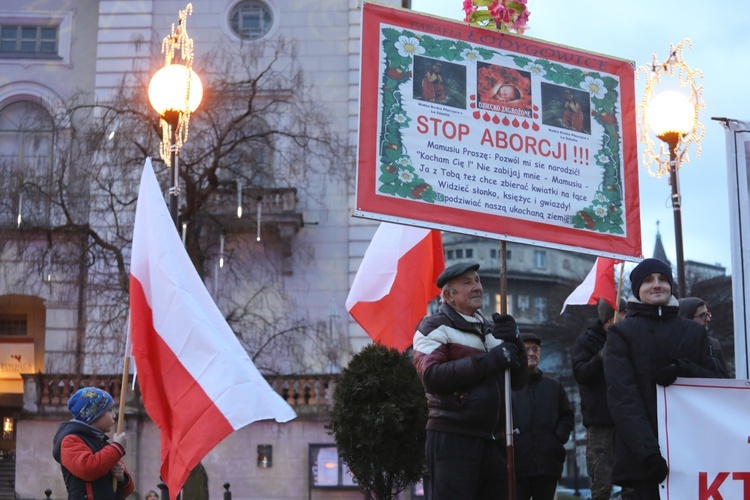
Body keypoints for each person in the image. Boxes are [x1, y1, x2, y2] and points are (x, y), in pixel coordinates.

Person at [604, 259, 726, 499]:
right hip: (644, 462)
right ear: (637, 288)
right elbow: (623, 398)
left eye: (662, 279)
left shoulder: (694, 332)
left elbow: (717, 383)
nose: (656, 285)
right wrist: (648, 451)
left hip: (694, 454)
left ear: (671, 286)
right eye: (648, 280)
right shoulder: (621, 334)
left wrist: (683, 368)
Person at [413, 262, 528, 499]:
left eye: (477, 280)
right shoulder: (433, 326)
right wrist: (492, 360)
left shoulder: (491, 329)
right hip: (454, 439)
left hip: (493, 439)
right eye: (467, 283)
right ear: (448, 295)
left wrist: (516, 342)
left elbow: (517, 381)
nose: (477, 287)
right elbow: (432, 376)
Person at [572, 298, 632, 500]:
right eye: (622, 312)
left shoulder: (629, 338)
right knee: (601, 483)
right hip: (601, 422)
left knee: (632, 482)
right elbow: (581, 373)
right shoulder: (586, 341)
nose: (626, 317)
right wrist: (600, 357)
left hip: (627, 418)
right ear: (611, 317)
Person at [513, 332, 574, 500]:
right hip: (518, 466)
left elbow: (567, 416)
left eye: (536, 349)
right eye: (527, 350)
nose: (532, 353)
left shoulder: (554, 387)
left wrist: (556, 438)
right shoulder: (508, 387)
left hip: (548, 465)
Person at [52, 387, 134, 499]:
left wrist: (123, 478)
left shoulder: (103, 443)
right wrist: (117, 447)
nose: (114, 416)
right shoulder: (70, 440)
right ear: (93, 414)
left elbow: (127, 490)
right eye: (109, 410)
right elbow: (88, 469)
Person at [678, 297, 730, 377]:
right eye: (702, 315)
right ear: (688, 319)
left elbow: (725, 379)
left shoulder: (714, 344)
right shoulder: (674, 346)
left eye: (708, 314)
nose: (708, 319)